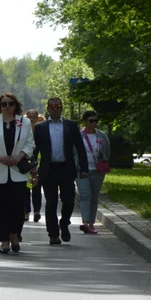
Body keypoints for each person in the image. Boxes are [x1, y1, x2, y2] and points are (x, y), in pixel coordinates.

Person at [0, 93, 36, 253]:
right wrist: (0, 158)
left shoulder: (24, 122)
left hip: (18, 171)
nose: (7, 107)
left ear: (15, 105)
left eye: (10, 104)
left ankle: (14, 235)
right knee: (2, 208)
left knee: (18, 207)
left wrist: (19, 156)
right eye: (4, 104)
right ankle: (4, 240)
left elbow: (30, 144)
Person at [31, 96, 89, 245]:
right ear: (48, 109)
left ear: (62, 108)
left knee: (68, 201)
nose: (55, 109)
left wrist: (84, 168)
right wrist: (31, 167)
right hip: (48, 169)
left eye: (58, 106)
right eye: (52, 107)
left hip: (66, 168)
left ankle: (64, 223)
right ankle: (53, 233)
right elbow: (34, 149)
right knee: (51, 203)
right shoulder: (40, 127)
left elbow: (80, 148)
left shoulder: (70, 125)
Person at [78, 110, 111, 234]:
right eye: (91, 121)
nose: (94, 123)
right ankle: (85, 222)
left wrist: (103, 163)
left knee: (94, 197)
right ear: (85, 122)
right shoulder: (79, 136)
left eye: (96, 121)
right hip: (82, 171)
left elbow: (107, 151)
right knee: (85, 195)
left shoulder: (102, 136)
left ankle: (91, 223)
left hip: (97, 171)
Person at [25, 109, 44, 221]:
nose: (31, 119)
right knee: (26, 189)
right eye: (29, 117)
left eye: (33, 117)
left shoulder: (40, 131)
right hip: (26, 165)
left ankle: (37, 211)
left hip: (37, 165)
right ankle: (26, 211)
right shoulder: (23, 131)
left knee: (36, 188)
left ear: (37, 118)